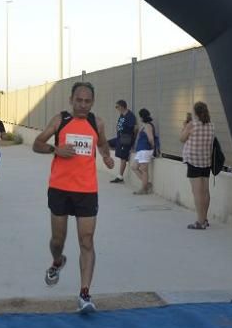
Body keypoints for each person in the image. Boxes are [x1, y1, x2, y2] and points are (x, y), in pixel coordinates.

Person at [32, 81, 115, 314]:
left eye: (87, 101)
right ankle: (57, 261)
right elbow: (37, 144)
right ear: (71, 100)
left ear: (92, 102)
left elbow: (103, 143)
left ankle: (85, 294)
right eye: (79, 100)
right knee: (57, 240)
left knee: (86, 241)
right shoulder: (60, 121)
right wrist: (54, 150)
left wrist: (107, 157)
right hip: (60, 188)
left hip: (87, 191)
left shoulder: (96, 122)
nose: (82, 105)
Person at [180, 101, 216, 230]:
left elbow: (182, 139)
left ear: (195, 112)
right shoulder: (211, 125)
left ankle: (200, 222)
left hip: (193, 161)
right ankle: (205, 219)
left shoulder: (192, 124)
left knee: (197, 193)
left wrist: (184, 127)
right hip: (206, 161)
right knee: (205, 192)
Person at [109, 100, 137, 184]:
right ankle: (122, 151)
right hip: (119, 137)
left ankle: (120, 176)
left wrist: (132, 141)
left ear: (121, 107)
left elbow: (135, 129)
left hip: (126, 137)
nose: (116, 109)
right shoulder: (121, 115)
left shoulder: (130, 116)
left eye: (117, 107)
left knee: (123, 157)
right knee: (107, 143)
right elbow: (119, 125)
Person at [131, 108, 156, 195]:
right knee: (134, 167)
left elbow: (151, 138)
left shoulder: (148, 126)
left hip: (145, 150)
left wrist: (152, 147)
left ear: (141, 117)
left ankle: (143, 189)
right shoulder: (144, 125)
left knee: (144, 170)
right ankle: (146, 184)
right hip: (141, 150)